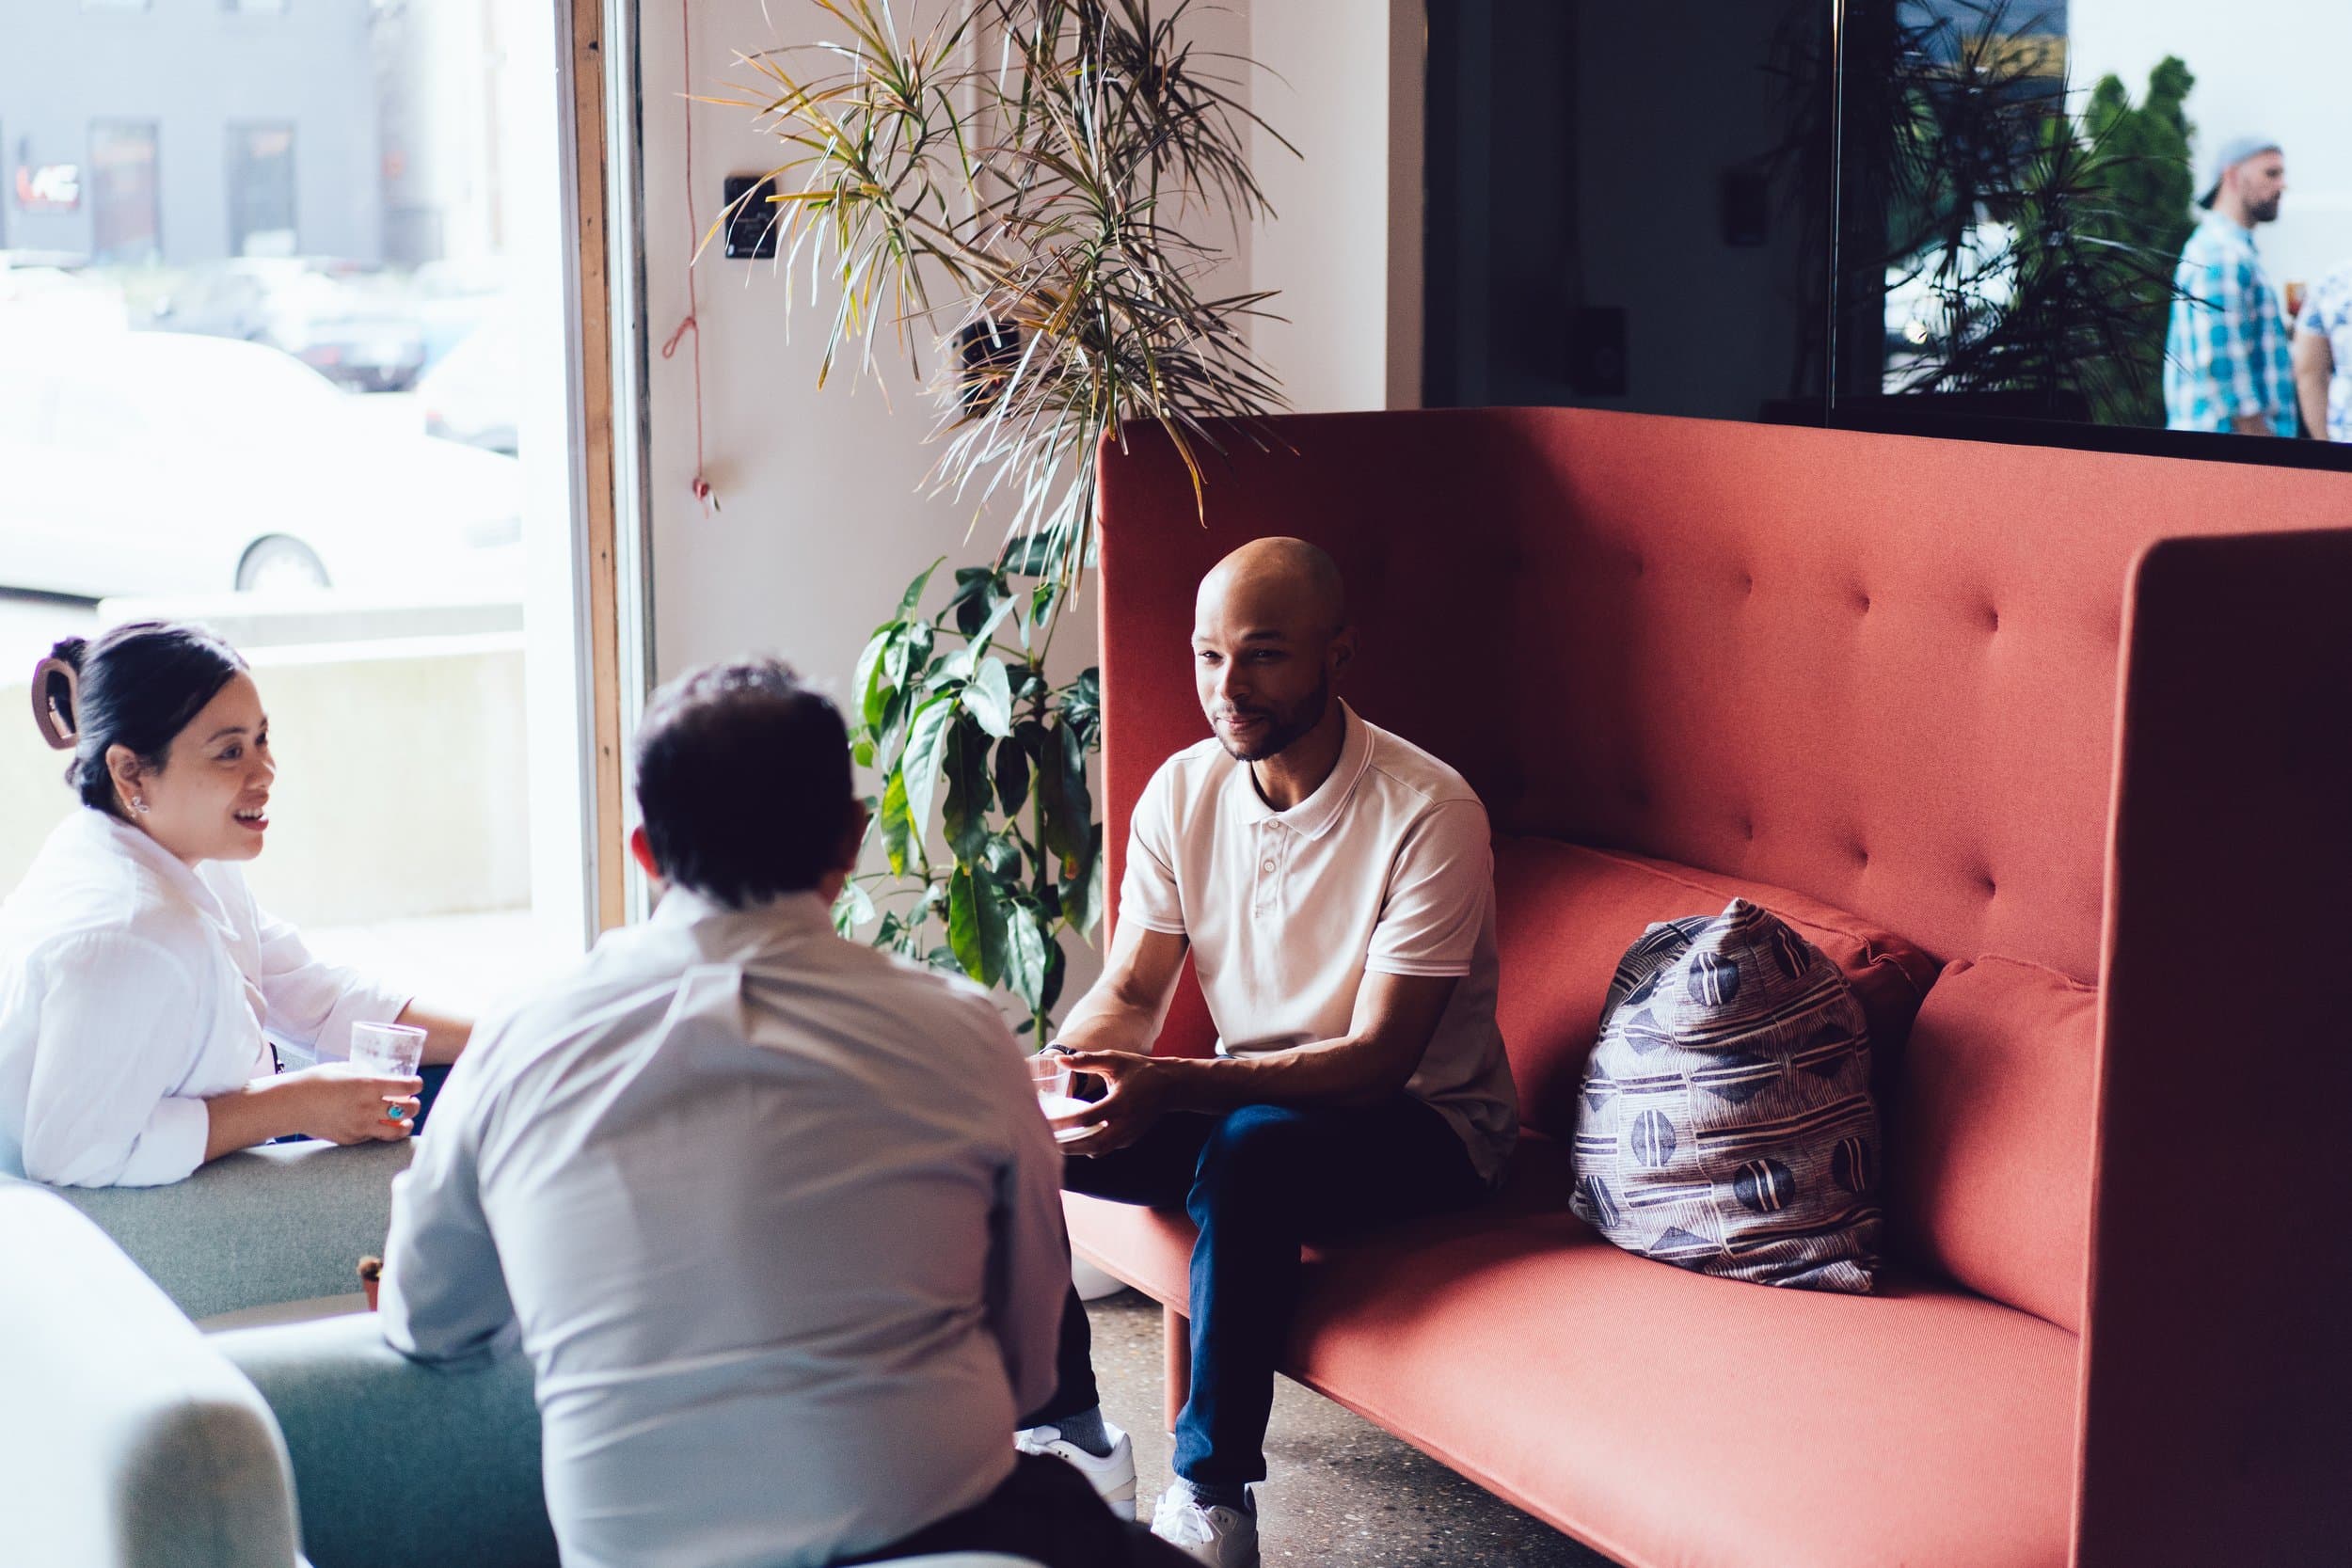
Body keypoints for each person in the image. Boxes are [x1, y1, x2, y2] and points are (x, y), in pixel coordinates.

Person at [378, 657, 1194, 1568]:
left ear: (646, 851)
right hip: (942, 1529)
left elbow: (424, 1317)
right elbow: (1030, 1366)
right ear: (850, 838)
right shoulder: (960, 1036)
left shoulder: (521, 1038)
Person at [1020, 538, 1519, 1568]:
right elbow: (1133, 990)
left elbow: (1379, 1057)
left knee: (1250, 1145)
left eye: (1262, 654)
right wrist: (1066, 1071)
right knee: (1012, 1133)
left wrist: (1174, 1084)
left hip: (1425, 1126)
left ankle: (1211, 1500)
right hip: (1248, 1109)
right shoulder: (1183, 790)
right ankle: (1069, 1431)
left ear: (1339, 653)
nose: (1228, 686)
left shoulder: (1429, 811)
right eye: (1208, 655)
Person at [0, 623, 470, 1187]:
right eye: (229, 753)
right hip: (170, 1214)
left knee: (501, 1081)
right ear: (130, 773)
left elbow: (312, 997)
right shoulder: (127, 934)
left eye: (261, 739)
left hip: (253, 1132)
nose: (264, 772)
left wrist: (506, 1038)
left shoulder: (183, 851)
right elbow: (73, 1156)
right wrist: (294, 1104)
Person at [2165, 135, 2296, 437]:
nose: (2282, 185)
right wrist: (2263, 449)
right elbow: (2221, 366)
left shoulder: (2226, 248)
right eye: (2271, 173)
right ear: (2233, 176)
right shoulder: (2222, 253)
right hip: (2227, 453)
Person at [2292, 263, 2352, 442]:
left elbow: (2309, 373)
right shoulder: (2332, 284)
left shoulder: (2333, 283)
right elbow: (2309, 374)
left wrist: (2324, 444)